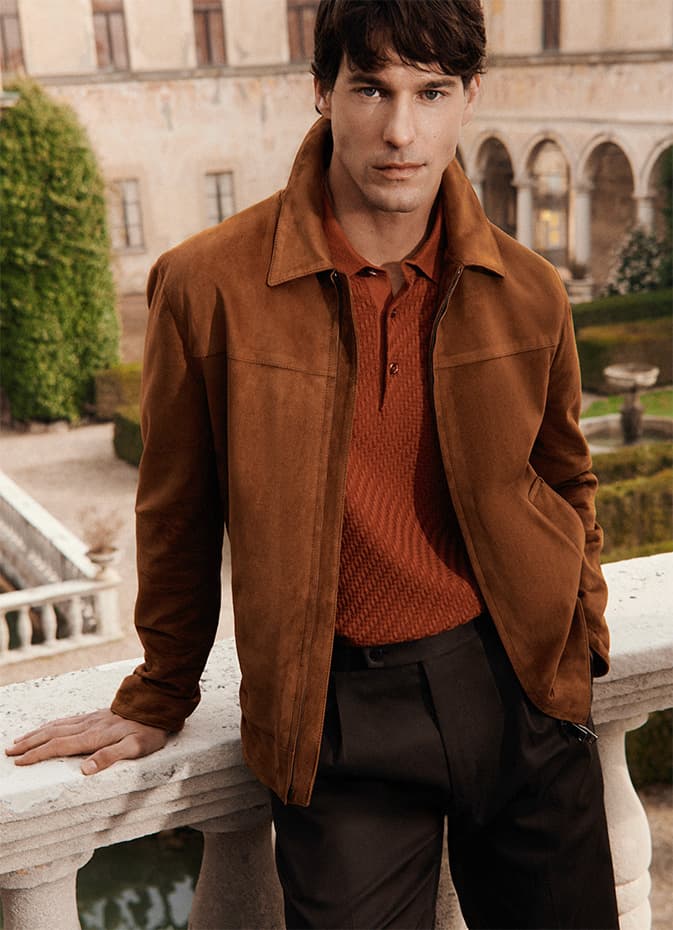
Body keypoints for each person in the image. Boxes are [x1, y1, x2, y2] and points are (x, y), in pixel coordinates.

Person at [7, 2, 619, 927]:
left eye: (431, 91)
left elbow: (566, 477)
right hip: (339, 715)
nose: (401, 130)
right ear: (321, 91)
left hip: (524, 690)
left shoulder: (527, 290)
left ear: (469, 97)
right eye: (371, 88)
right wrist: (163, 689)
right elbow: (176, 511)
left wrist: (583, 630)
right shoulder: (207, 285)